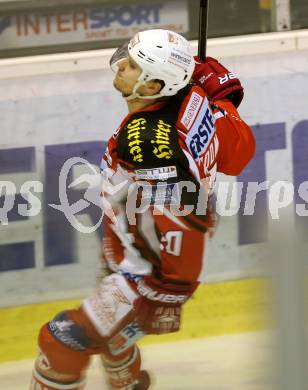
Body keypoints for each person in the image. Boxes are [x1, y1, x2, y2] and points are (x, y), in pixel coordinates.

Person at [30, 29, 255, 390]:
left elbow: (185, 223)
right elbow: (237, 156)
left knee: (60, 342)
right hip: (132, 236)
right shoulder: (195, 96)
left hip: (147, 268)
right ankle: (126, 381)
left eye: (133, 66)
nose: (121, 66)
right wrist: (223, 100)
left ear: (152, 87)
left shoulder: (150, 144)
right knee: (113, 342)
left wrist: (168, 291)